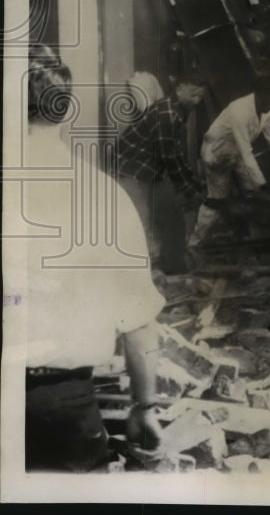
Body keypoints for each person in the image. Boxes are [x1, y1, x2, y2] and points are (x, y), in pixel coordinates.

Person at [18, 45, 164, 471]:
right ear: (65, 110)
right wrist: (145, 406)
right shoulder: (104, 197)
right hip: (65, 408)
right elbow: (138, 324)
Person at [190, 74, 270, 247]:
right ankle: (195, 242)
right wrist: (262, 182)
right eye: (265, 100)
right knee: (217, 198)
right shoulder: (238, 110)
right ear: (257, 94)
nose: (268, 105)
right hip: (217, 148)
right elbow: (245, 150)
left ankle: (252, 237)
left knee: (254, 194)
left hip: (237, 150)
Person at [116, 71, 207, 272]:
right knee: (141, 219)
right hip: (131, 167)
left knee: (170, 214)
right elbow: (169, 157)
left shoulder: (180, 110)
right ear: (179, 89)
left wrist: (193, 181)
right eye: (193, 94)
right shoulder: (167, 114)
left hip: (150, 167)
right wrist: (188, 188)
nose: (196, 100)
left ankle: (170, 265)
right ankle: (139, 270)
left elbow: (175, 153)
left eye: (200, 96)